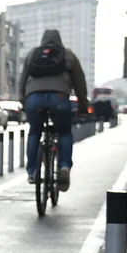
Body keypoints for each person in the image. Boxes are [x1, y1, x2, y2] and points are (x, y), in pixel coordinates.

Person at [20, 29, 89, 191]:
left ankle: (32, 171)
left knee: (35, 132)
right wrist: (83, 106)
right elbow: (80, 83)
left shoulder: (32, 54)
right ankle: (64, 166)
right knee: (64, 132)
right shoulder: (67, 55)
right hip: (59, 97)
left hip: (34, 98)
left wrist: (23, 102)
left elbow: (22, 80)